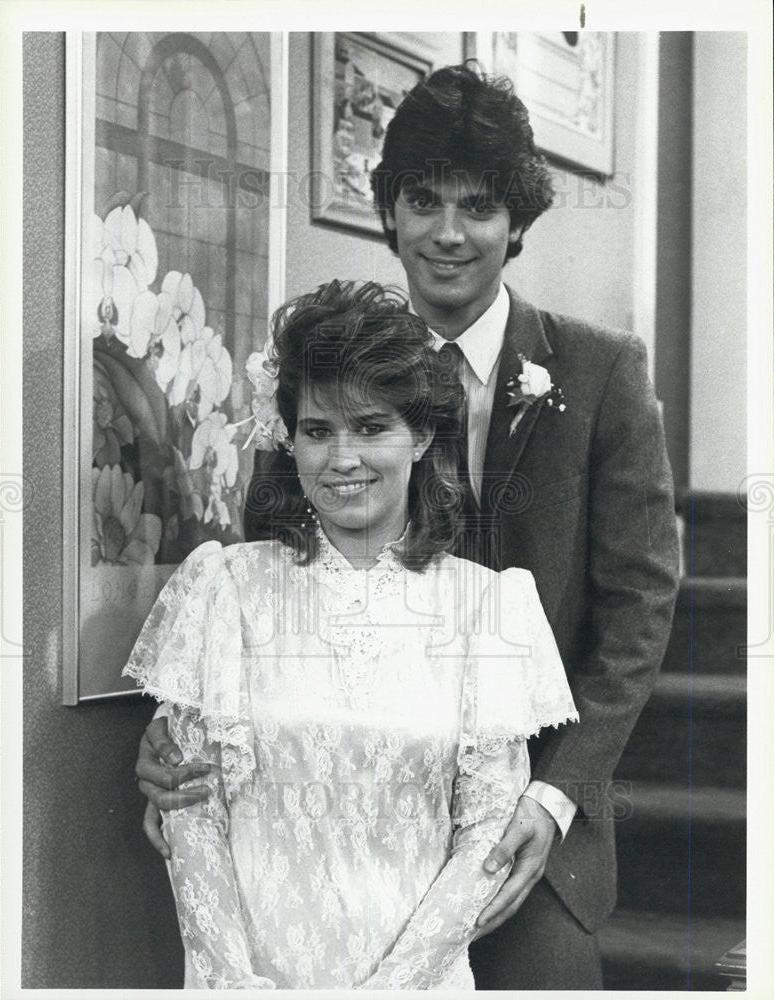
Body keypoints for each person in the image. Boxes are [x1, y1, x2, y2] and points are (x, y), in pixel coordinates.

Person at [136, 64, 680, 989]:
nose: (447, 234)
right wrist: (174, 742)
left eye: (477, 206)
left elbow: (639, 607)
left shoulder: (598, 374)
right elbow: (268, 592)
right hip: (334, 818)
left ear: (518, 222)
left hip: (522, 829)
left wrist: (550, 800)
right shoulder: (315, 376)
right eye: (421, 201)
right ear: (388, 210)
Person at [124, 280, 578, 989]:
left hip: (414, 983)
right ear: (289, 436)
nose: (341, 459)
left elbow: (485, 837)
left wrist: (387, 991)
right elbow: (189, 817)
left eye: (371, 428)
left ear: (422, 435)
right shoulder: (224, 589)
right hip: (244, 981)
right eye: (318, 430)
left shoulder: (489, 608)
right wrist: (238, 985)